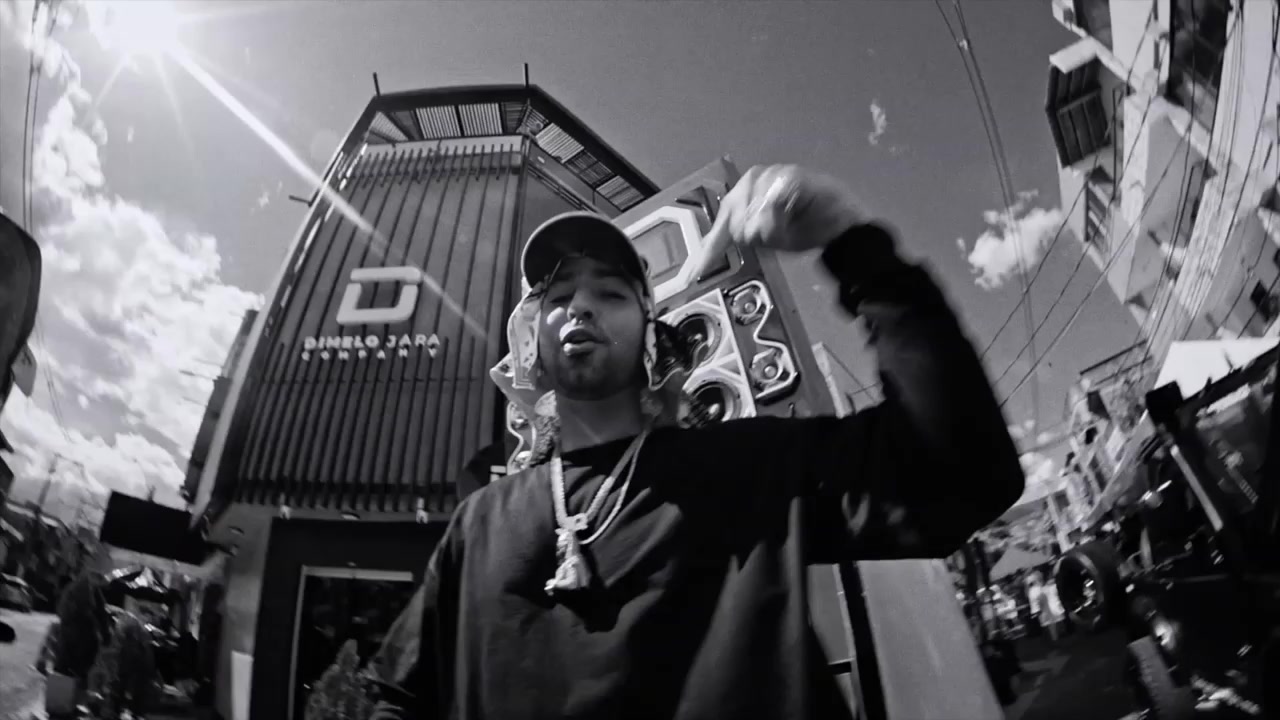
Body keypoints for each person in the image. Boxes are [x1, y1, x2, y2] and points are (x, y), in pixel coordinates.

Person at [370, 164, 1025, 719]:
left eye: (610, 293)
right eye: (559, 294)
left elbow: (960, 470)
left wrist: (851, 241)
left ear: (651, 338)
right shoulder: (475, 529)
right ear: (528, 342)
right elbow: (399, 698)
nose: (581, 306)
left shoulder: (749, 466)